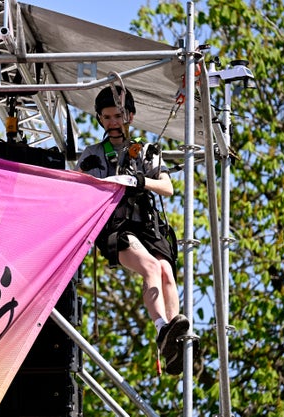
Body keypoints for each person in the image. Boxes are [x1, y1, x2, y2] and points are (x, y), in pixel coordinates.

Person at [77, 85, 189, 375]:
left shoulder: (148, 151)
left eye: (118, 116)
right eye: (107, 117)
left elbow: (168, 188)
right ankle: (162, 328)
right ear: (100, 119)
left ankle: (174, 335)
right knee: (151, 267)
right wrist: (112, 182)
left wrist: (140, 181)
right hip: (116, 226)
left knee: (166, 270)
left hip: (147, 224)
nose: (113, 123)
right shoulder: (92, 155)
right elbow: (82, 190)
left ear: (130, 115)